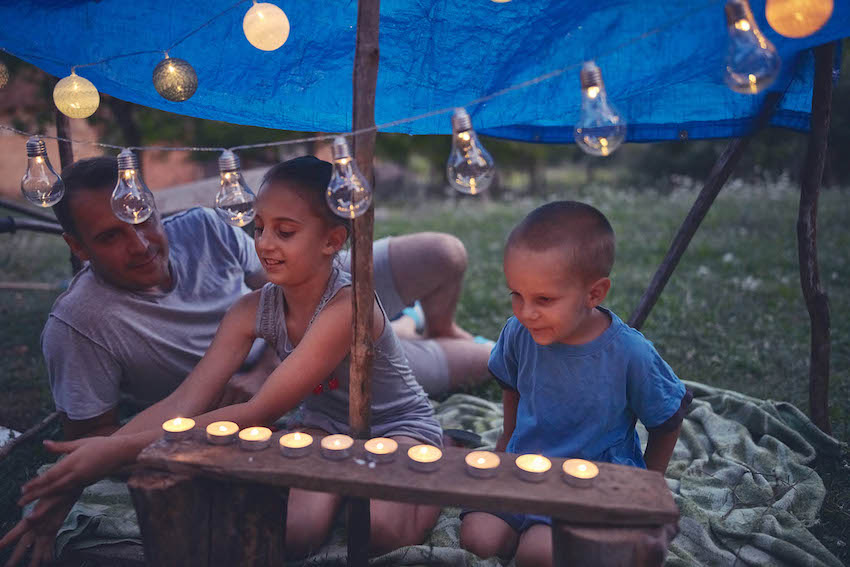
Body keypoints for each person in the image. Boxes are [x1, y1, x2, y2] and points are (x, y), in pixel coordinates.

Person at [3, 156, 444, 562]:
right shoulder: (250, 310)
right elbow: (184, 402)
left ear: (332, 240)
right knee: (295, 532)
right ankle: (351, 484)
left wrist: (114, 447)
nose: (266, 244)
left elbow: (258, 411)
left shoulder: (348, 307)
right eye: (259, 228)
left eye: (285, 232)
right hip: (324, 426)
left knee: (383, 531)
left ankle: (442, 451)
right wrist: (69, 483)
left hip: (394, 426)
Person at [41, 156, 490, 441]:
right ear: (77, 247)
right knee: (479, 362)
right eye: (110, 236)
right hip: (308, 362)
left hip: (311, 313)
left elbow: (282, 281)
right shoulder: (80, 324)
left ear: (155, 206)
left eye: (142, 219)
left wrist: (265, 368)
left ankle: (417, 324)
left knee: (440, 254)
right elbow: (89, 437)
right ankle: (405, 327)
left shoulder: (201, 228)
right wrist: (89, 464)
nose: (139, 245)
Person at [459, 201, 691, 567]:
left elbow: (668, 419)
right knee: (477, 537)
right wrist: (505, 451)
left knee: (539, 552)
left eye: (544, 299)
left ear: (594, 294)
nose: (526, 311)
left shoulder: (628, 353)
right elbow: (512, 389)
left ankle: (555, 538)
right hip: (526, 468)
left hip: (589, 485)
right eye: (516, 294)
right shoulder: (520, 333)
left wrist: (647, 486)